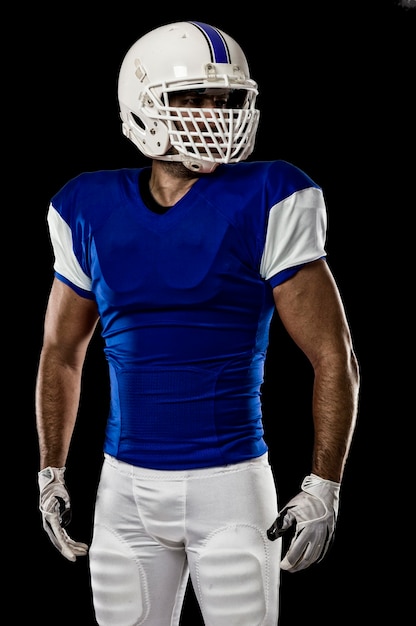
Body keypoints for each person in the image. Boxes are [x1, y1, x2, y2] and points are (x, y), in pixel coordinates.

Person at [36, 20, 360, 626]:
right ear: (142, 103)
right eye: (194, 97)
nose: (215, 113)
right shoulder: (86, 205)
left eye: (227, 98)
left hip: (231, 489)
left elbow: (333, 355)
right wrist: (51, 469)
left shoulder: (269, 194)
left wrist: (324, 485)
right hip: (124, 492)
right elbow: (60, 350)